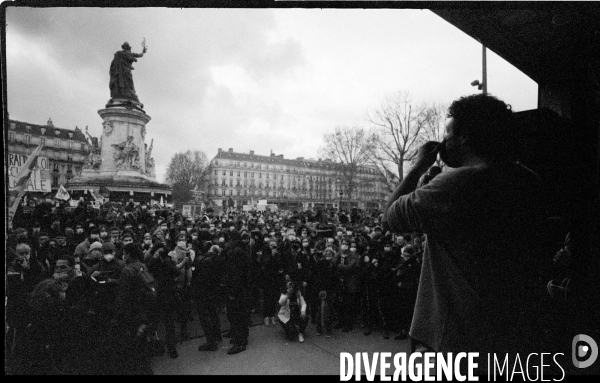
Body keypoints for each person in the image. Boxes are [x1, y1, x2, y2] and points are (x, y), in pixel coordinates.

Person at [382, 94, 549, 363]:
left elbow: (389, 219)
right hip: (517, 328)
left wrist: (419, 166)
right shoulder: (528, 180)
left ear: (464, 138)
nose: (443, 141)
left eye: (447, 132)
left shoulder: (456, 185)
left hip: (462, 336)